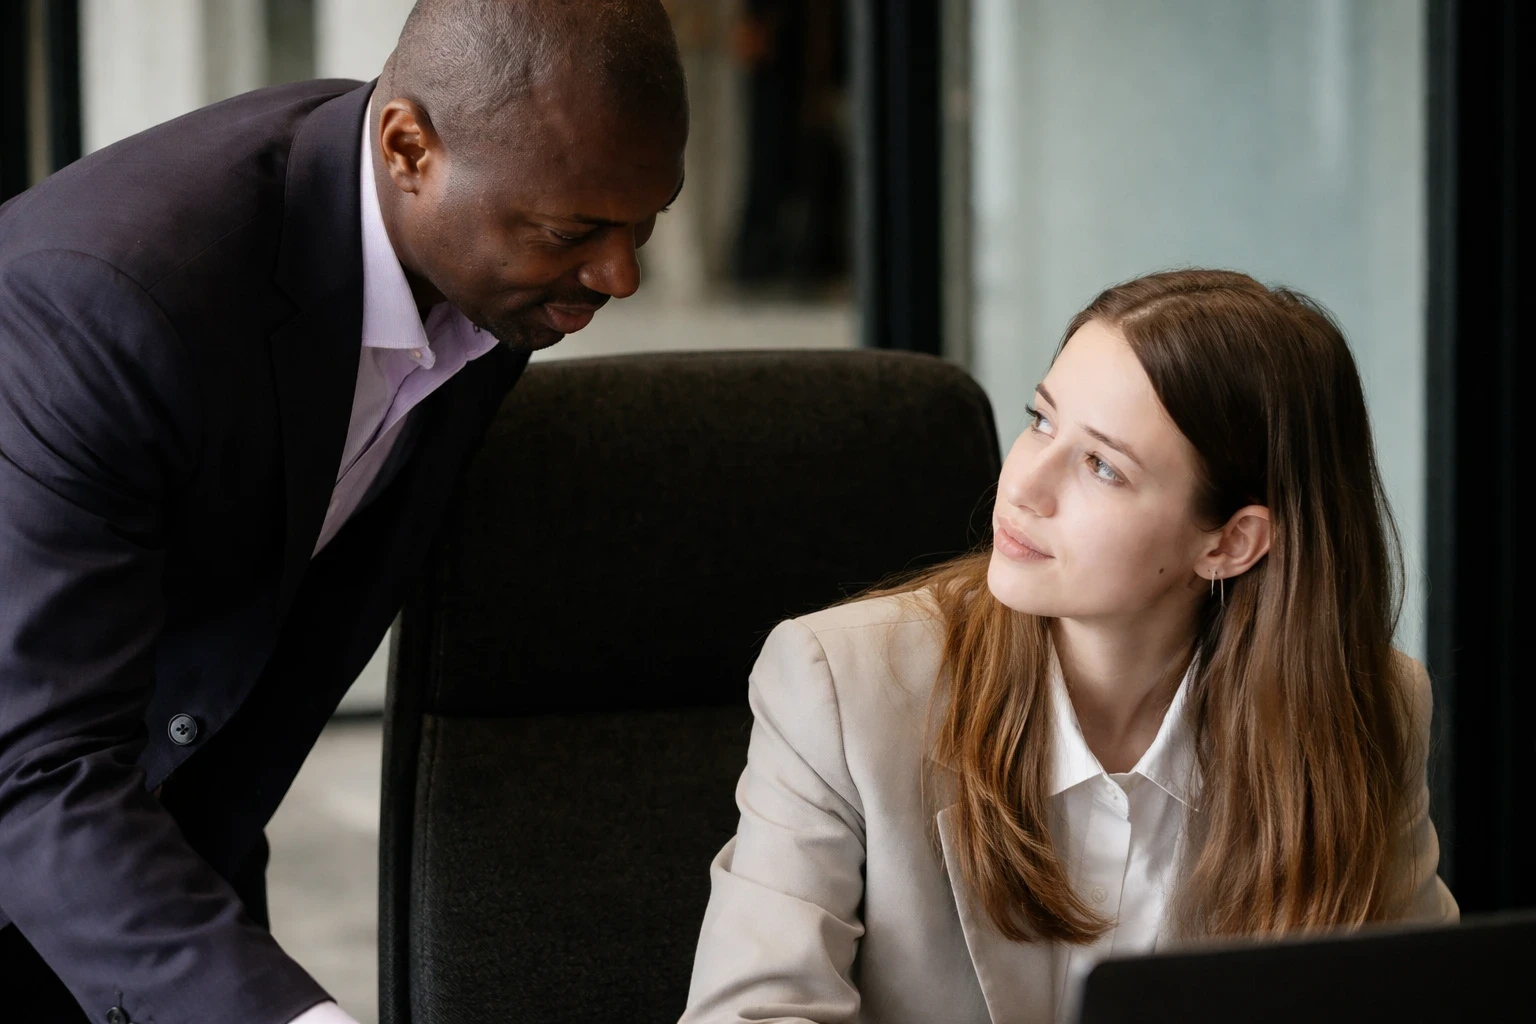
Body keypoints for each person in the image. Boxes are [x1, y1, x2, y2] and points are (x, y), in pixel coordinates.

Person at [0, 1, 686, 1021]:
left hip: (154, 877)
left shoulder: (488, 283)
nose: (618, 275)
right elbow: (35, 766)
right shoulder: (111, 301)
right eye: (571, 230)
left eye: (646, 222)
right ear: (409, 147)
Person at [680, 270, 1458, 1024]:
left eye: (1101, 466)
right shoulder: (841, 687)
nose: (1024, 484)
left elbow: (1408, 999)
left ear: (1230, 543)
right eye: (1042, 419)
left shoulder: (1365, 710)